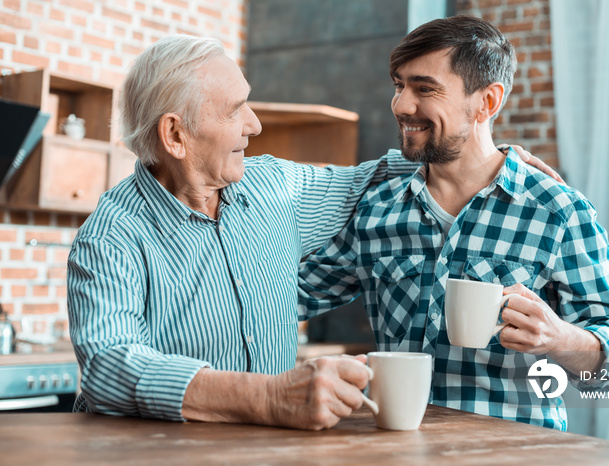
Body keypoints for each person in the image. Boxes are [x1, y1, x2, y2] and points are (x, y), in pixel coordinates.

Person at [67, 33, 556, 430]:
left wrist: (486, 155)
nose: (253, 124)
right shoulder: (113, 235)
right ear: (175, 135)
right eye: (235, 109)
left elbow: (372, 175)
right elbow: (108, 367)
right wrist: (268, 398)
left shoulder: (273, 187)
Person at [298, 15, 609, 431]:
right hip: (396, 448)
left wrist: (558, 337)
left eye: (424, 89)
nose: (401, 105)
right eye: (398, 85)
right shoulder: (377, 209)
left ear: (487, 102)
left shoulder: (559, 212)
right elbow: (288, 298)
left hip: (515, 455)